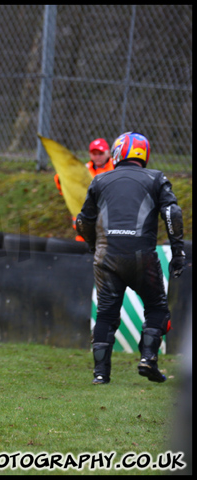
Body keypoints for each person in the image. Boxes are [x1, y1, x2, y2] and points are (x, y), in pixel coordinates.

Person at [76, 132, 185, 385]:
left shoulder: (100, 179)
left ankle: (101, 374)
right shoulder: (156, 178)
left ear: (117, 153)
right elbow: (172, 213)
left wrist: (94, 245)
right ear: (143, 154)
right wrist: (178, 251)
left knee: (105, 314)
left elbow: (83, 221)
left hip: (106, 256)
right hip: (142, 256)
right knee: (157, 309)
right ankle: (148, 359)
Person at [54, 138, 114, 241]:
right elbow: (69, 189)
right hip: (85, 227)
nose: (97, 157)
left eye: (100, 153)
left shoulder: (116, 169)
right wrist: (61, 179)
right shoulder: (83, 170)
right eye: (94, 154)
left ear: (108, 153)